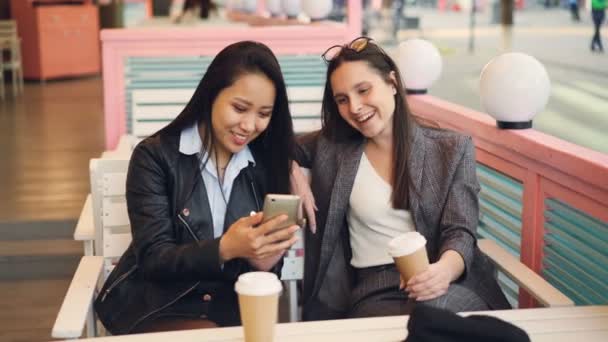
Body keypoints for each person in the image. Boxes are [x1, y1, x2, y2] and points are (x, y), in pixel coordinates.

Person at [292, 37, 511, 321]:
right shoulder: (332, 149)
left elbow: (460, 231)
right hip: (377, 289)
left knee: (438, 315)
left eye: (363, 90)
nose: (355, 107)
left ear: (392, 83)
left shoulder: (450, 149)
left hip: (448, 280)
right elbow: (277, 144)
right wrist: (292, 170)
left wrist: (442, 271)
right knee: (427, 323)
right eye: (342, 100)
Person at [94, 41, 300, 334]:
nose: (249, 125)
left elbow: (262, 273)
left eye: (264, 114)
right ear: (211, 94)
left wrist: (264, 263)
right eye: (239, 108)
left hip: (230, 313)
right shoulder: (156, 156)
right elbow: (154, 259)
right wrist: (226, 248)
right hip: (159, 308)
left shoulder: (266, 164)